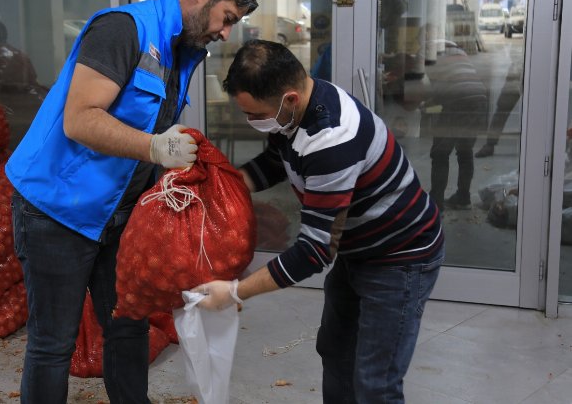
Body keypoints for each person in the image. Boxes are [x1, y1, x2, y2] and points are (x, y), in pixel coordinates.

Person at [5, 0, 257, 404]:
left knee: (127, 327)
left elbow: (148, 123)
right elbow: (80, 120)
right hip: (56, 208)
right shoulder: (124, 29)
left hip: (118, 213)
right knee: (53, 344)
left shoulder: (185, 50)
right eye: (227, 17)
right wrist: (156, 147)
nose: (225, 32)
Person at [194, 40, 444, 404]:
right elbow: (276, 162)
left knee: (376, 382)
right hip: (358, 249)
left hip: (400, 257)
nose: (253, 123)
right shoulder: (302, 107)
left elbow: (313, 252)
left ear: (289, 98)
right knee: (336, 350)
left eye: (257, 114)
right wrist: (225, 189)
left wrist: (233, 292)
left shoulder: (332, 141)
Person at [422, 43, 488, 210]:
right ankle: (463, 197)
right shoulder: (459, 52)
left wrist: (425, 109)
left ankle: (436, 200)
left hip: (458, 99)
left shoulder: (430, 58)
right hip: (479, 98)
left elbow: (438, 95)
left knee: (440, 154)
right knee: (465, 152)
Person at [474, 61, 523, 158]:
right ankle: (490, 145)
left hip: (524, 68)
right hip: (517, 69)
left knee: (501, 112)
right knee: (501, 110)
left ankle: (490, 145)